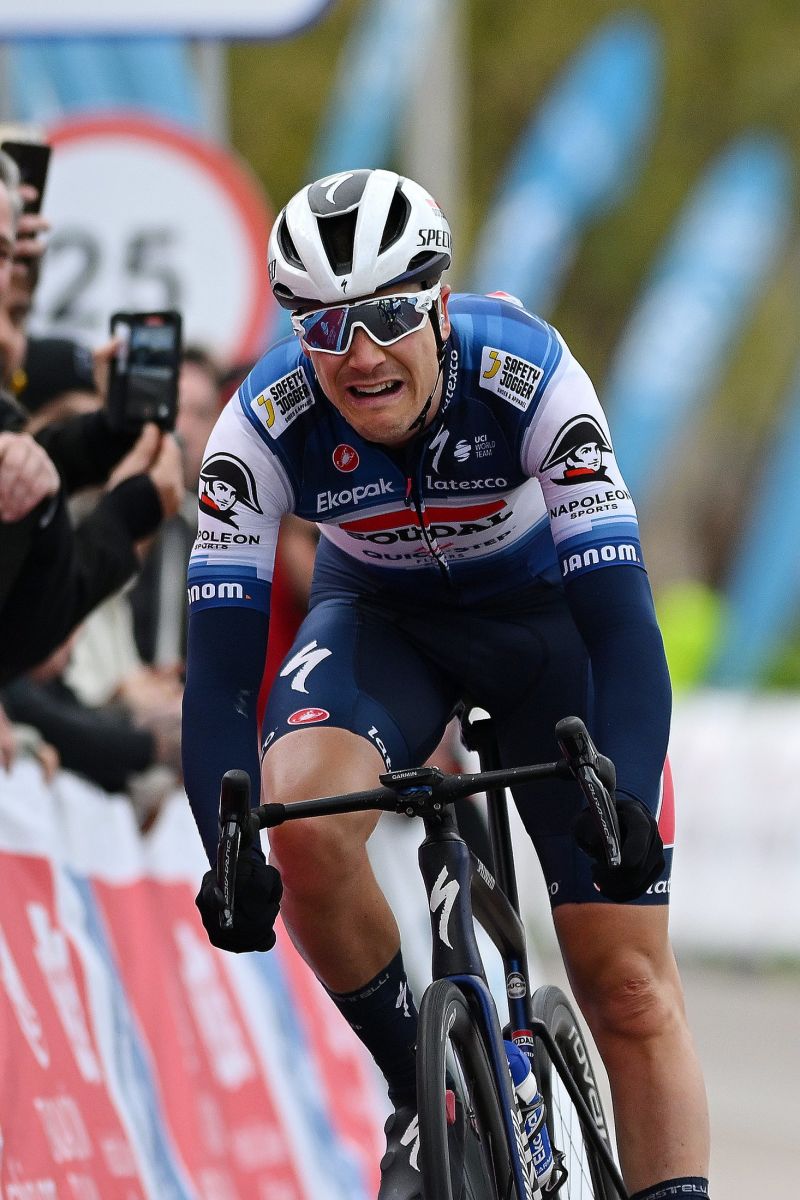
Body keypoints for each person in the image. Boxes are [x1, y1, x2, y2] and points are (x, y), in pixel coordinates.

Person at [182, 169, 710, 1200]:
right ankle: (426, 1096)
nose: (360, 355)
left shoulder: (528, 372)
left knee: (627, 984)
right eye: (324, 327)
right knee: (300, 822)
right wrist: (227, 851)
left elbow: (621, 623)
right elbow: (219, 683)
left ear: (436, 302)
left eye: (387, 316)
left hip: (547, 625)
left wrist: (628, 794)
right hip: (384, 625)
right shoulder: (256, 431)